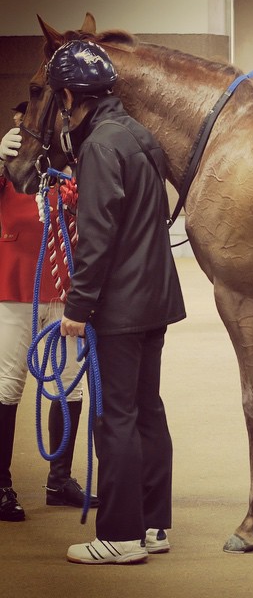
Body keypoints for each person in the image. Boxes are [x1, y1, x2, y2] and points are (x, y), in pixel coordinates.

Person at [44, 40, 186, 564]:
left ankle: (121, 536)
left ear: (66, 96)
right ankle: (153, 525)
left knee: (116, 417)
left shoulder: (101, 144)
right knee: (147, 409)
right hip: (155, 299)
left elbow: (97, 236)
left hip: (120, 306)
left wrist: (78, 309)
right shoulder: (139, 135)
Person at [0, 103, 98, 522]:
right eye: (22, 125)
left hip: (64, 295)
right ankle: (1, 486)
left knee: (70, 387)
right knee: (7, 387)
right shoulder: (9, 176)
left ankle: (60, 480)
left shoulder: (67, 177)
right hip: (15, 293)